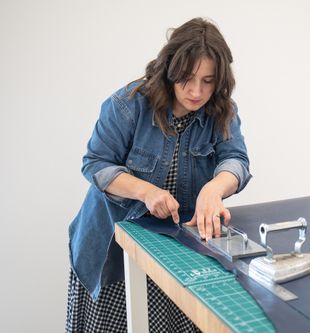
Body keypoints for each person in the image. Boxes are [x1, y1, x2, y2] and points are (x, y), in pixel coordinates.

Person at [66, 17, 251, 333]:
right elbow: (96, 164)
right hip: (113, 248)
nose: (196, 91)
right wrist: (146, 192)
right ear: (169, 69)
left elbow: (236, 160)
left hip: (178, 246)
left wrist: (214, 189)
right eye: (187, 79)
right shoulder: (127, 105)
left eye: (208, 81)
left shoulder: (223, 110)